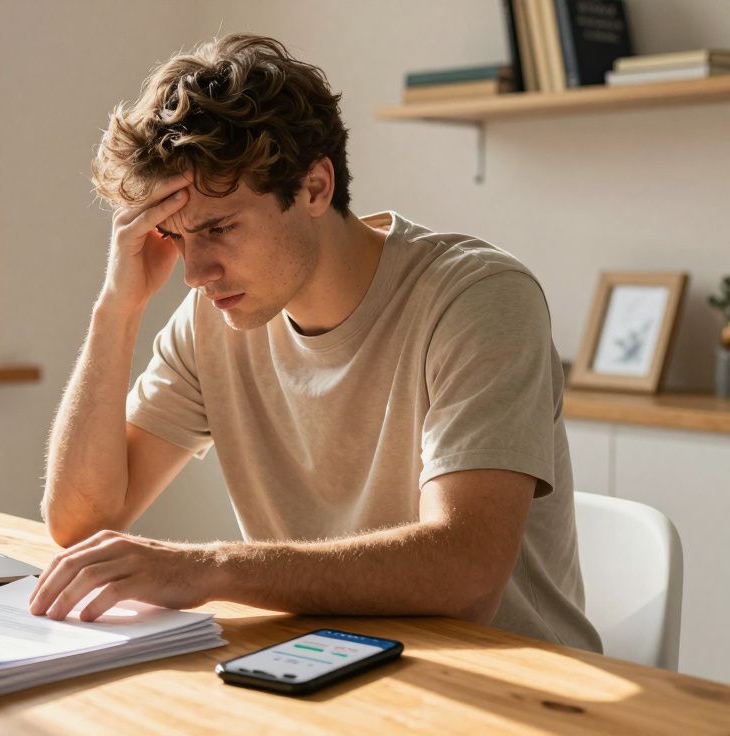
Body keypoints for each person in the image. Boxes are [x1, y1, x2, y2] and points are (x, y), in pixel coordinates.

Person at [30, 33, 601, 653]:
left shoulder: (476, 298)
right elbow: (81, 521)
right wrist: (118, 308)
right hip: (328, 659)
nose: (194, 273)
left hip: (510, 679)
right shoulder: (212, 319)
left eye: (219, 228)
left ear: (314, 188)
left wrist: (210, 568)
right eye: (175, 236)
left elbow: (465, 573)